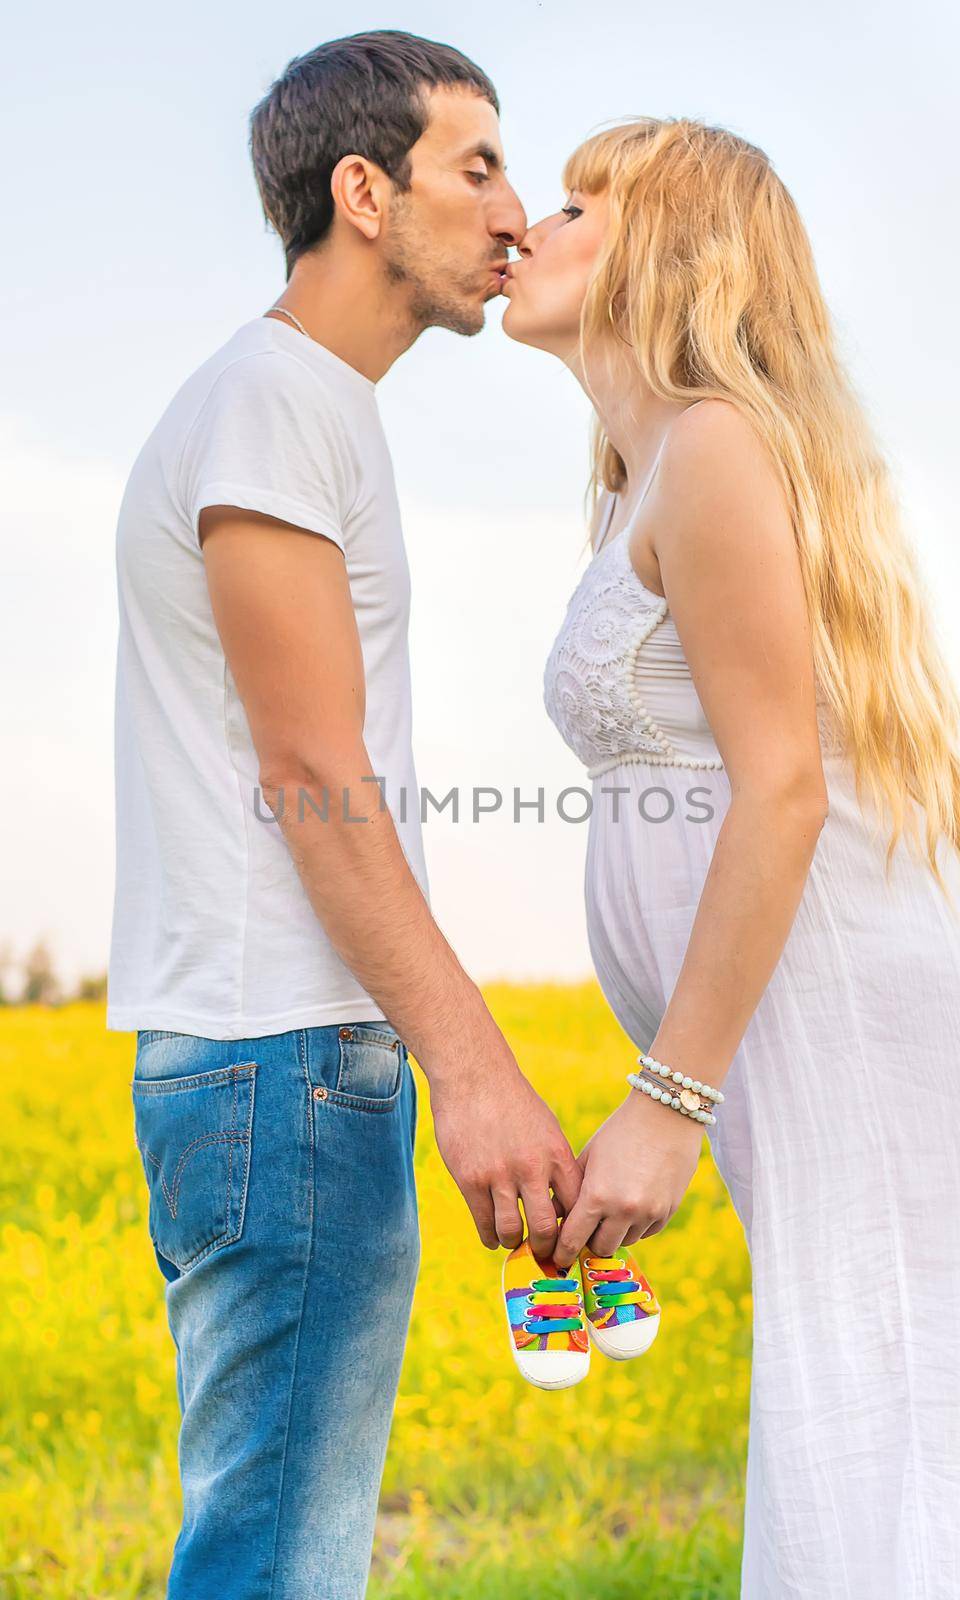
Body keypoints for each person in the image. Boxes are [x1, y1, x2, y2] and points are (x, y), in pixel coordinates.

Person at [107, 31, 583, 1599]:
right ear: (363, 192)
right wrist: (480, 1071)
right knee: (277, 1569)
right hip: (289, 1065)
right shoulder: (272, 403)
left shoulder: (300, 406)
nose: (516, 212)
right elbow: (314, 772)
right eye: (479, 166)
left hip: (274, 1067)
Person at [502, 116, 960, 1598]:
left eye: (579, 205)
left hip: (845, 1003)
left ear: (665, 254)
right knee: (870, 1370)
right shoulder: (649, 473)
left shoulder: (708, 446)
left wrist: (667, 1100)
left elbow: (777, 796)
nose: (533, 224)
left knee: (879, 1373)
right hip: (795, 1020)